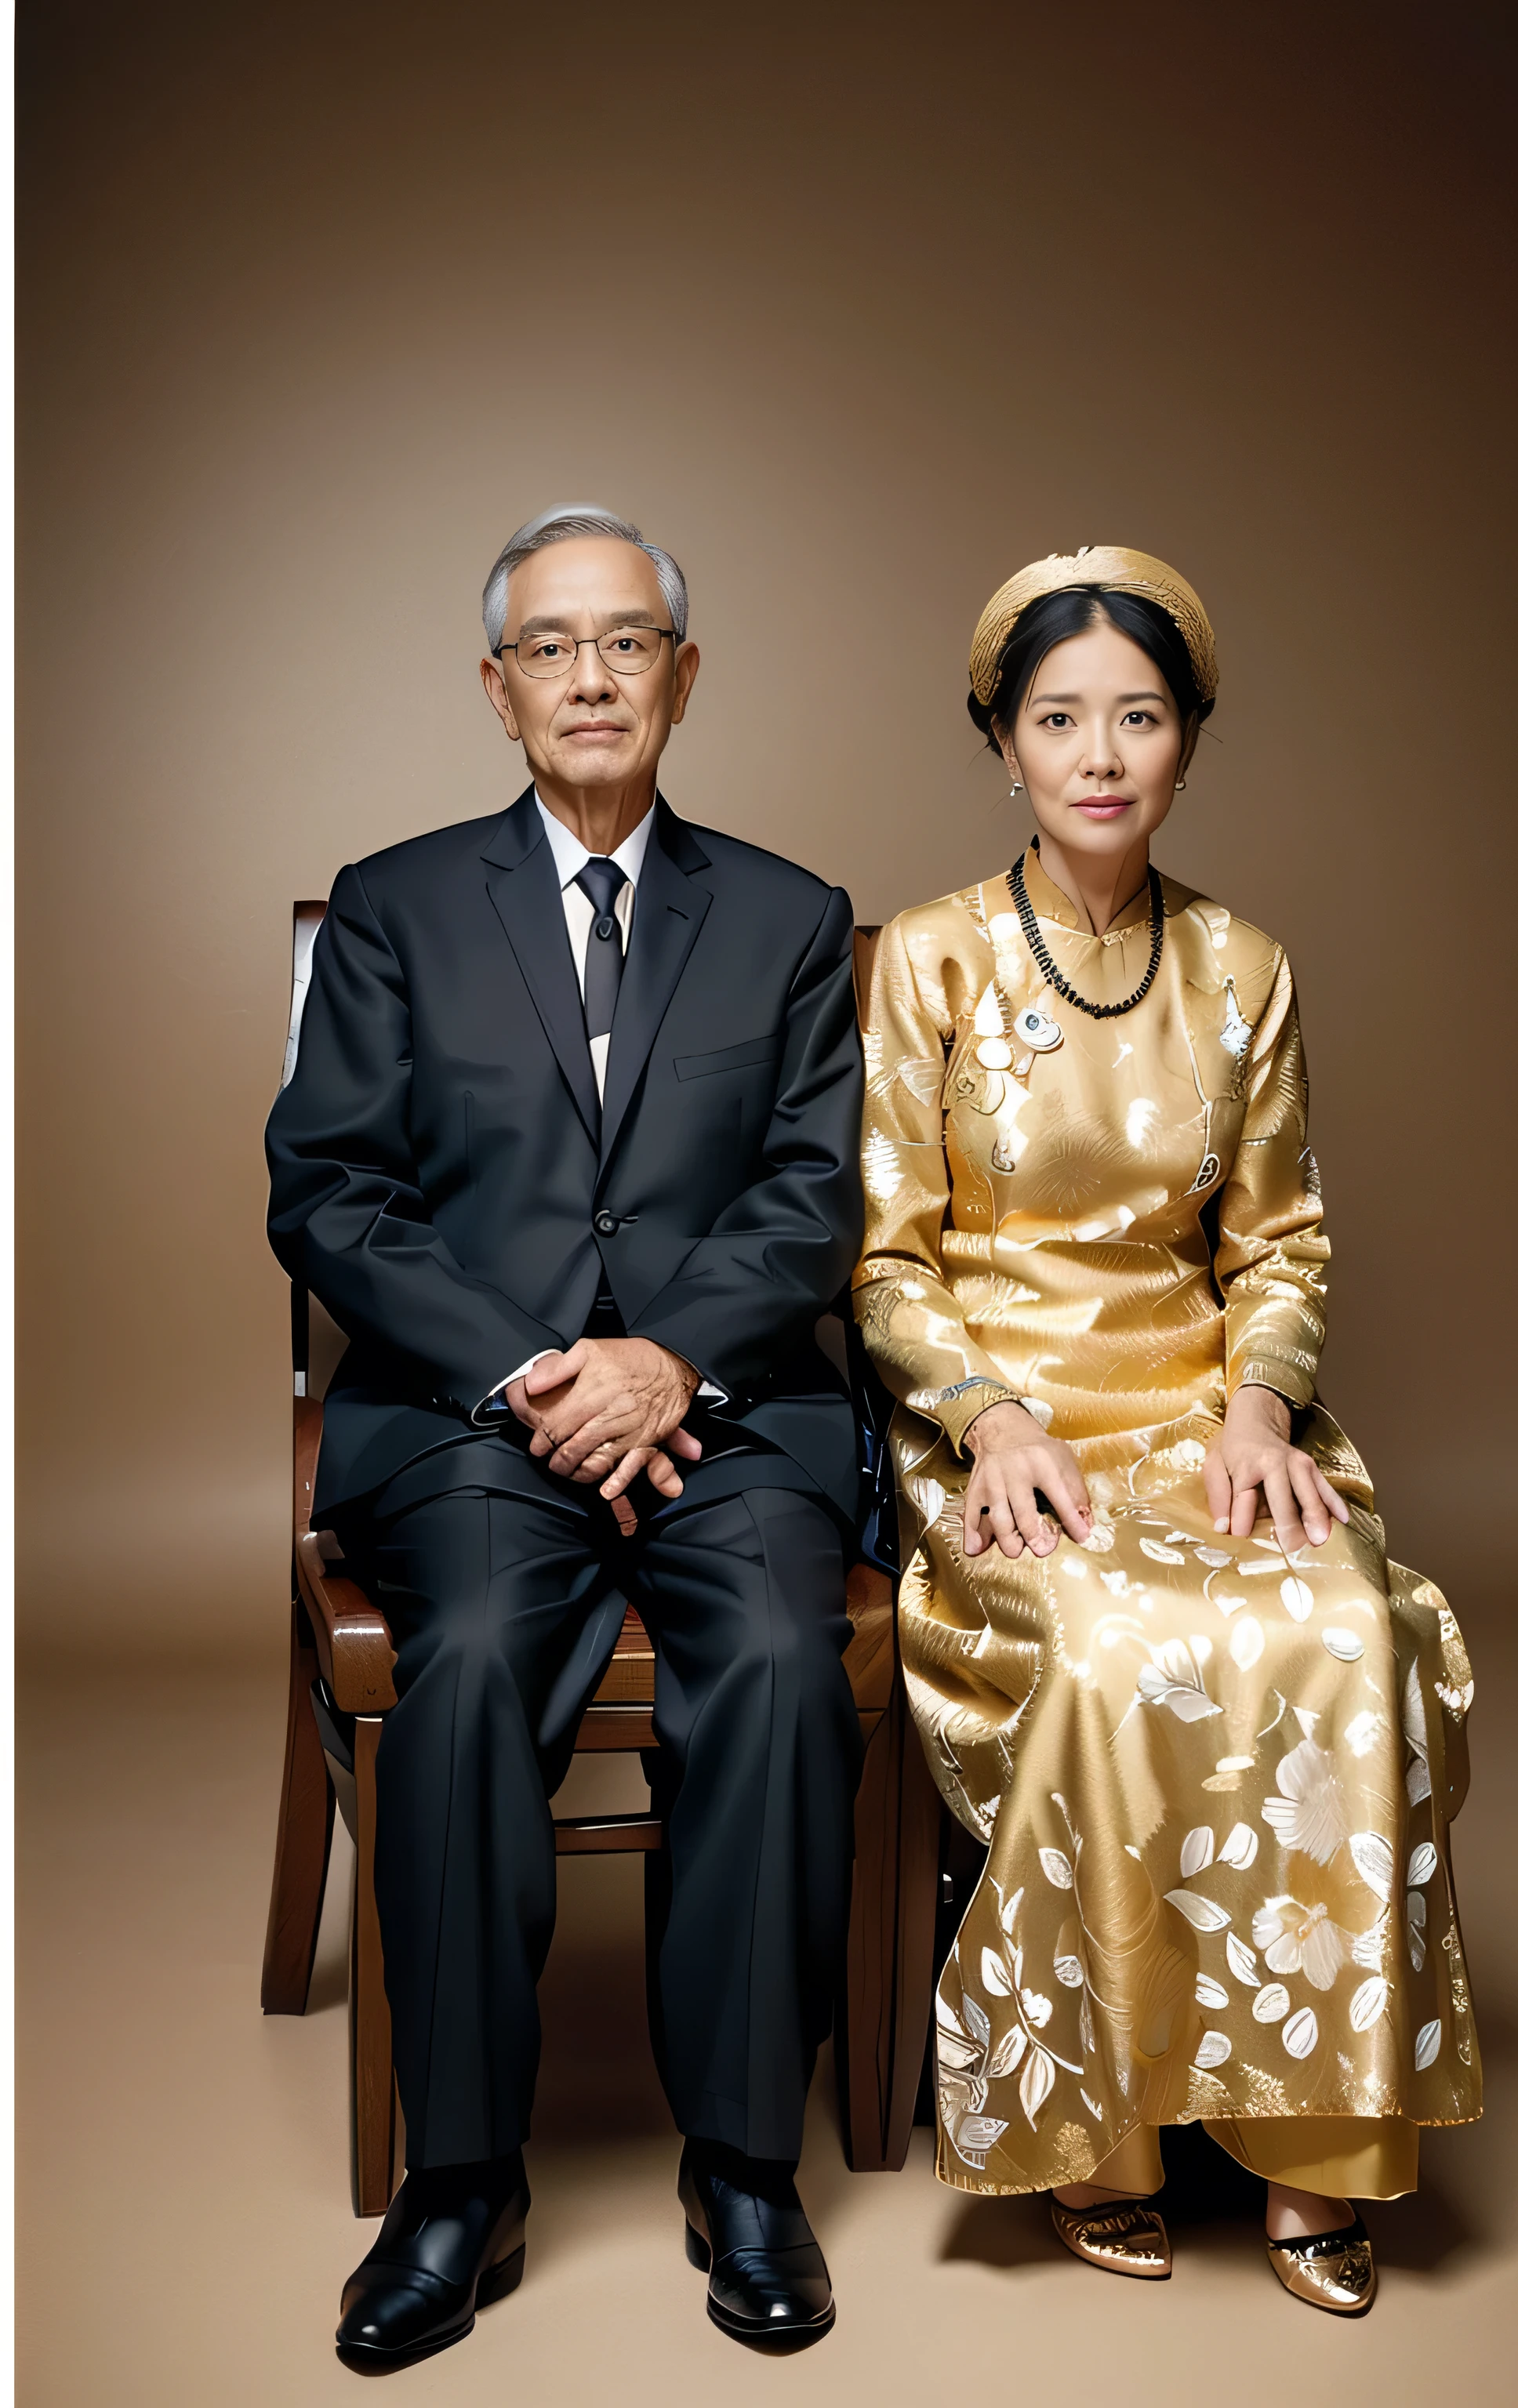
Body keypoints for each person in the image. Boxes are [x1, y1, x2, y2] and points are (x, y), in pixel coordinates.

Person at [267, 506, 864, 2365]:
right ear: (496, 688)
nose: (591, 676)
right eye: (550, 646)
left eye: (627, 644)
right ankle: (463, 2176)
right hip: (471, 1419)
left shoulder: (783, 916)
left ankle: (746, 2160)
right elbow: (331, 1194)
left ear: (683, 677)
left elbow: (813, 1192)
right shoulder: (395, 904)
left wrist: (669, 1357)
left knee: (776, 1654)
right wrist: (543, 1364)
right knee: (455, 1658)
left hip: (732, 1410)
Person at [853, 546, 1480, 2315]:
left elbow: (1279, 1244)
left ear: (1189, 738)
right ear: (1005, 743)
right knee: (1120, 1647)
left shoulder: (1245, 967)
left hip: (1213, 1422)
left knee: (1338, 1630)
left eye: (1139, 714)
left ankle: (1312, 2153)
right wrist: (987, 1420)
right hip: (1003, 1431)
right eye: (1062, 718)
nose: (1101, 752)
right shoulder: (932, 961)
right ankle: (1100, 2138)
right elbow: (889, 1259)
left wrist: (1261, 1406)